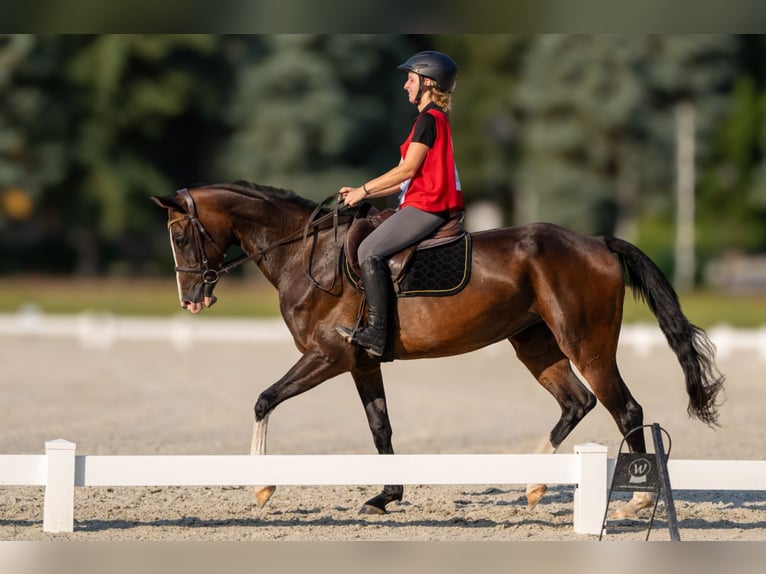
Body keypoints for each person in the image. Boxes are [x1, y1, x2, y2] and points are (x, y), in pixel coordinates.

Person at [337, 50, 464, 357]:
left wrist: (364, 191)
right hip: (420, 201)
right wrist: (359, 191)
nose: (405, 86)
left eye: (410, 80)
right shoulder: (427, 120)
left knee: (369, 250)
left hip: (430, 206)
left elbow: (405, 169)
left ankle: (378, 334)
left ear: (427, 83)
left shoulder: (429, 120)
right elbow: (402, 180)